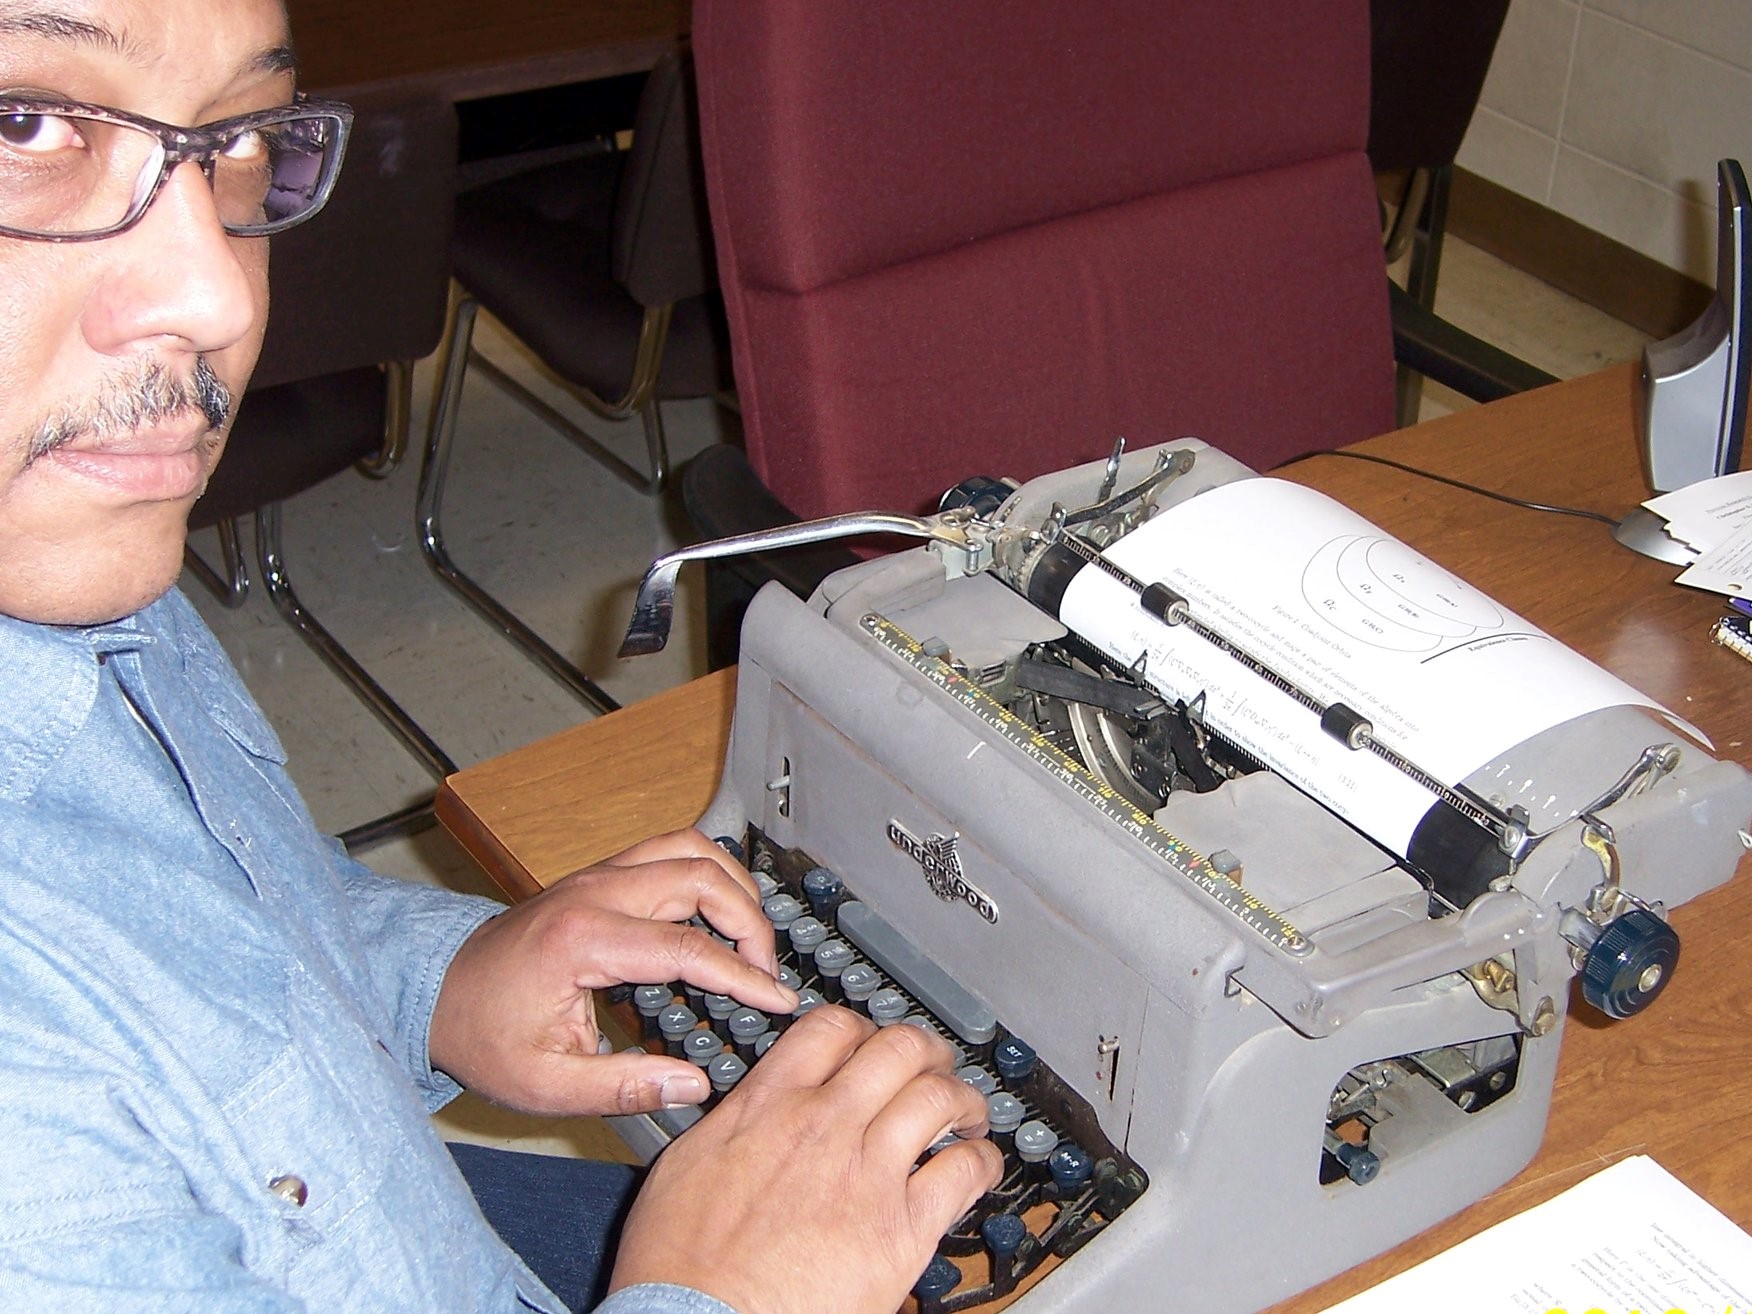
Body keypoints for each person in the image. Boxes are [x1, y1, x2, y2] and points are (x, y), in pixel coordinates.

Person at [0, 2, 1003, 1311]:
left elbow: (230, 929)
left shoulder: (62, 550)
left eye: (236, 141)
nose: (215, 295)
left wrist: (436, 981)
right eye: (27, 124)